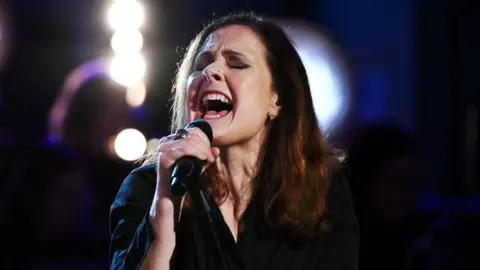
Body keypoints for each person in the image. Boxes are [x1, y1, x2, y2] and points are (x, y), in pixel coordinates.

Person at [109, 12, 358, 270]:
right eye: (201, 64)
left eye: (237, 64)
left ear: (277, 98)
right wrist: (165, 201)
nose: (210, 71)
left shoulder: (321, 192)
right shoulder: (147, 188)